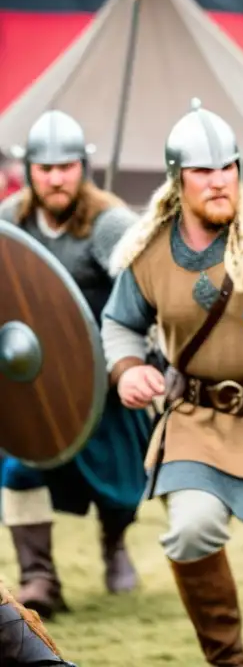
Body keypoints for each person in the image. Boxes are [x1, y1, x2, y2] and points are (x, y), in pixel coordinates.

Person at [100, 99, 243, 666]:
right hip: (195, 420)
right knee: (190, 531)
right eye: (203, 171)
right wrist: (128, 367)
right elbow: (119, 322)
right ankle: (227, 661)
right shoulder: (146, 249)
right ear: (177, 178)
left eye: (227, 168)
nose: (219, 182)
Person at [0, 111, 149, 619]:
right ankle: (38, 577)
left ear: (81, 167)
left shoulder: (109, 224)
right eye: (45, 168)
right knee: (20, 470)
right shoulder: (9, 225)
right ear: (31, 171)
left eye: (66, 166)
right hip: (34, 386)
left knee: (120, 490)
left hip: (102, 384)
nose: (56, 177)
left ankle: (115, 544)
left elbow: (141, 292)